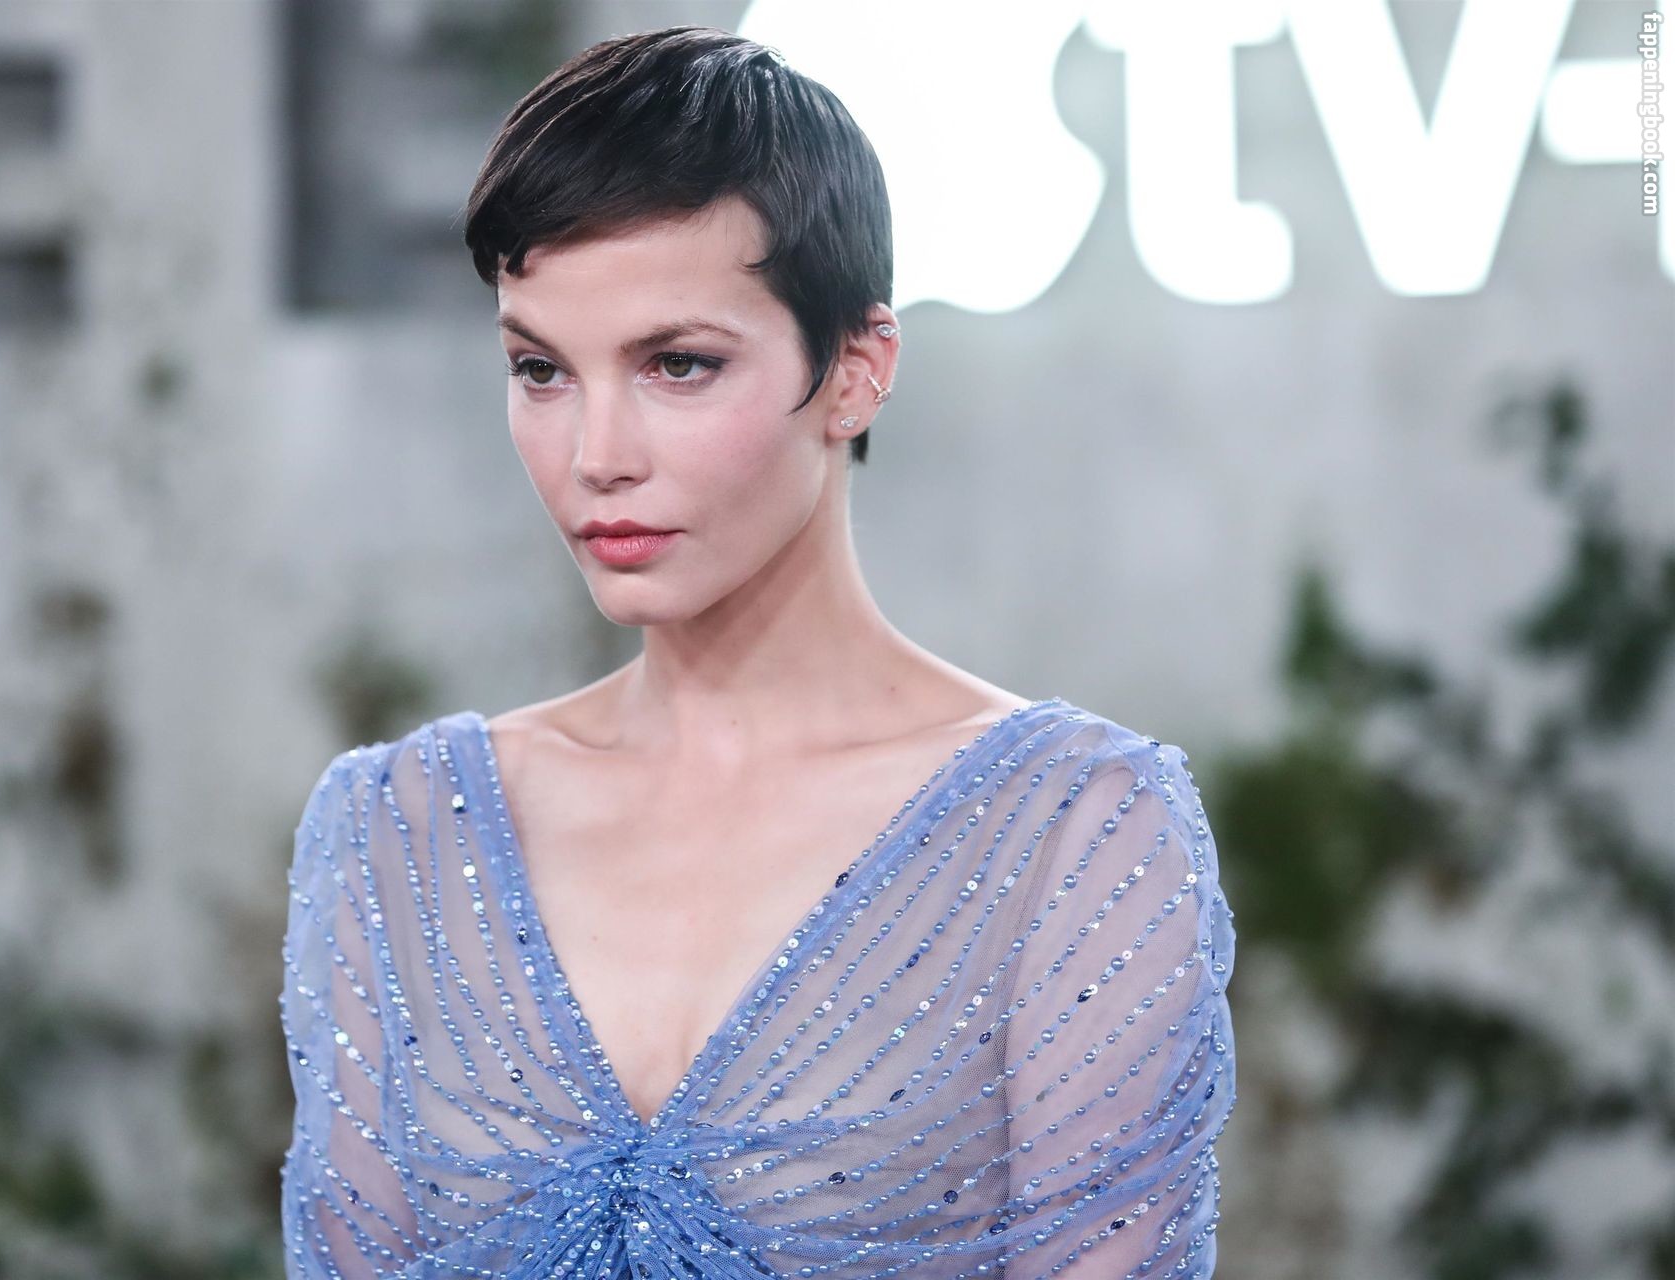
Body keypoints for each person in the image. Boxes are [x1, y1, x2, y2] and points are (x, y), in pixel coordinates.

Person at [280, 24, 1237, 1278]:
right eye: (540, 369)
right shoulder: (397, 832)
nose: (596, 455)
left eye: (677, 365)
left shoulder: (1078, 831)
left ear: (856, 371)